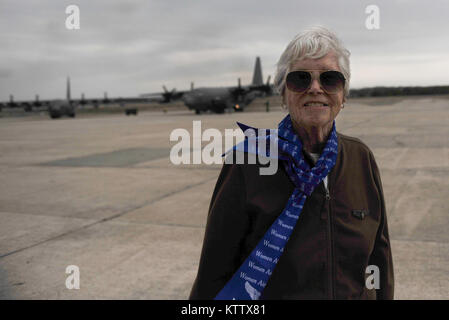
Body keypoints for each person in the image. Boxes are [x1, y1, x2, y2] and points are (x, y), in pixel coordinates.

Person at [189, 26, 394, 300]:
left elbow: (379, 257)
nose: (315, 88)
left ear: (343, 96)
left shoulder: (361, 158)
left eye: (330, 79)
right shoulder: (248, 160)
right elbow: (215, 270)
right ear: (283, 95)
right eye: (300, 79)